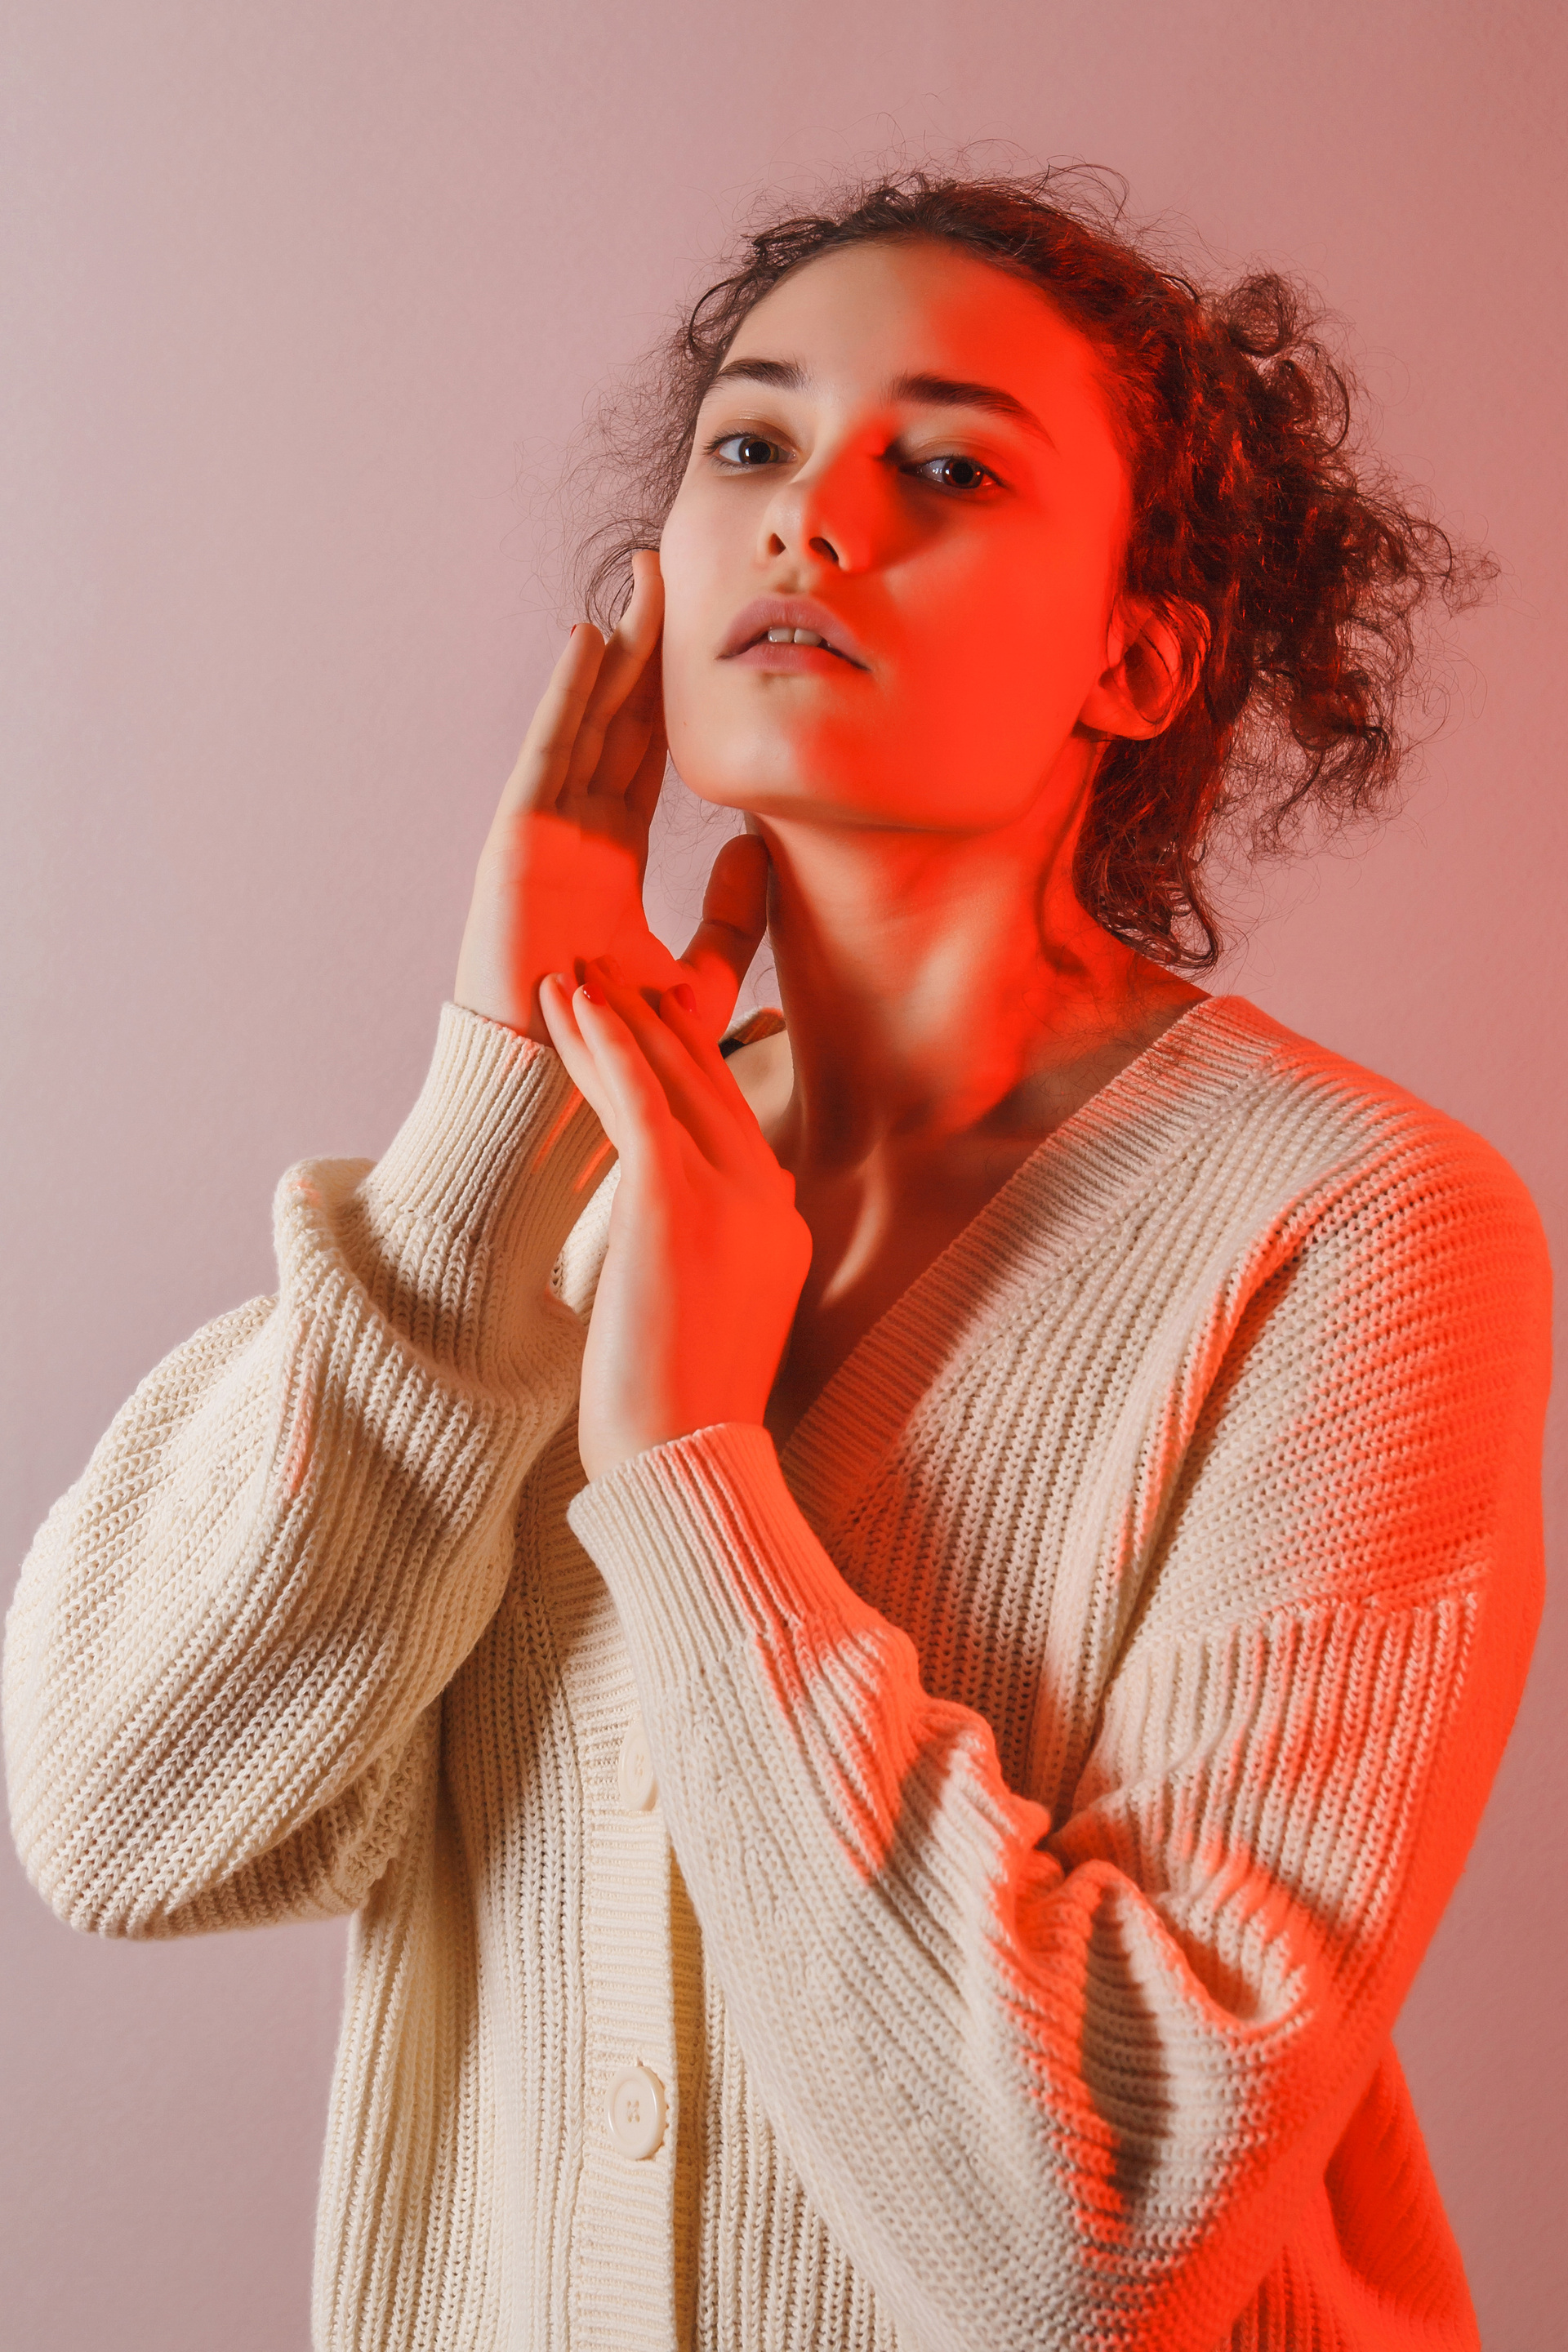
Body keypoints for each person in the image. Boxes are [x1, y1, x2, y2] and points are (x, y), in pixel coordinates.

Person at [3, 171, 1550, 2352]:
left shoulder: (1357, 1227)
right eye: (752, 441)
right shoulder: (540, 1195)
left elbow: (1097, 2241)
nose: (810, 517)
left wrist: (691, 1471)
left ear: (1138, 656)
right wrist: (489, 1112)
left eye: (949, 468)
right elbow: (122, 1821)